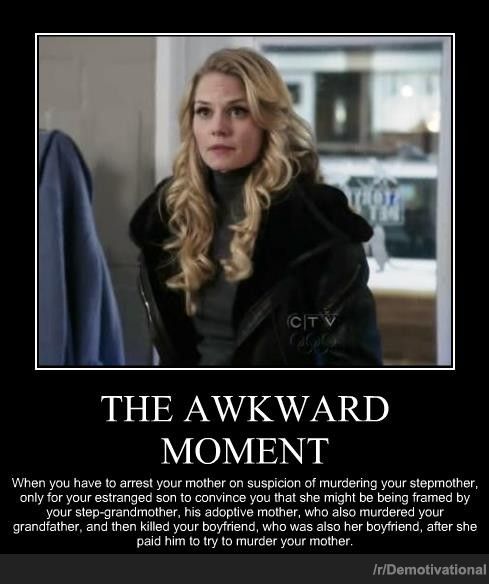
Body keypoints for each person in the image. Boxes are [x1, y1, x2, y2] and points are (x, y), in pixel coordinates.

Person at [130, 48, 382, 367]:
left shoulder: (316, 226)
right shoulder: (169, 215)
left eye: (237, 111)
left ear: (268, 120)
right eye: (204, 111)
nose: (218, 127)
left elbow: (352, 357)